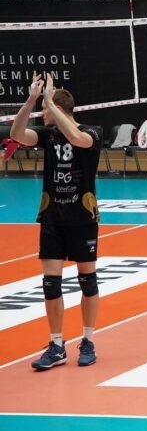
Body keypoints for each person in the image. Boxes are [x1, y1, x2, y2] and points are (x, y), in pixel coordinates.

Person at [11, 73, 101, 370]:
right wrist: (32, 100)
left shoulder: (92, 132)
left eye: (46, 110)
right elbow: (16, 133)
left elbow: (75, 139)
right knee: (50, 284)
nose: (43, 115)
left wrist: (49, 102)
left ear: (58, 109)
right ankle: (57, 344)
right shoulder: (47, 135)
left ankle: (88, 340)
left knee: (87, 281)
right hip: (52, 217)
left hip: (82, 217)